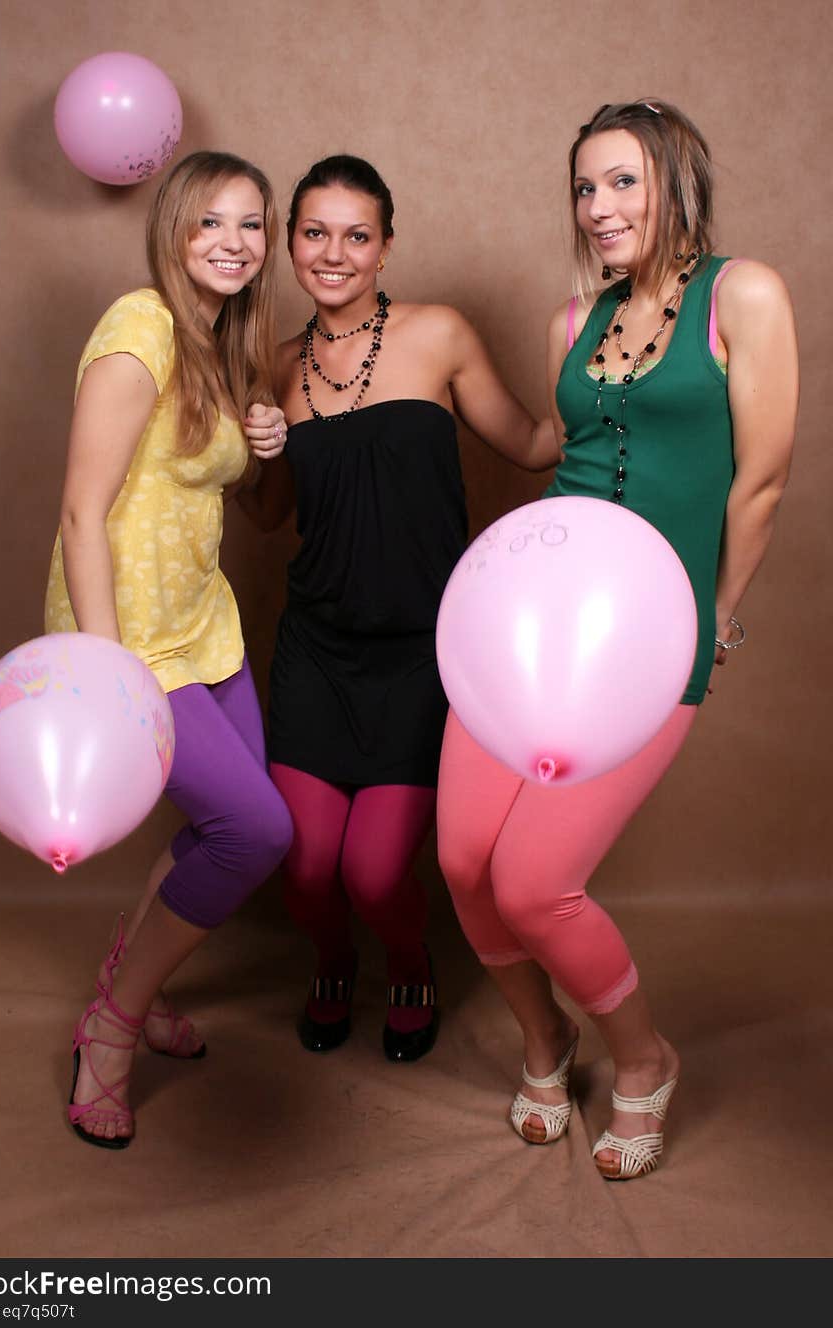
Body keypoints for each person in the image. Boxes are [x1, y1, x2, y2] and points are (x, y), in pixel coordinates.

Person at [437, 100, 798, 1179]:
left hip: (647, 632)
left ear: (677, 181)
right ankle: (546, 1040)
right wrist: (433, 394)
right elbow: (558, 445)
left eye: (622, 182)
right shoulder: (572, 321)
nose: (598, 208)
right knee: (462, 859)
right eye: (584, 188)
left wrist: (718, 611)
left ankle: (641, 1060)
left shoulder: (747, 294)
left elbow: (762, 477)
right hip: (530, 622)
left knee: (535, 876)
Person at [240, 155, 559, 1063]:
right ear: (291, 243)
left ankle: (408, 960)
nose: (333, 253)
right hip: (316, 650)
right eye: (313, 233)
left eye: (356, 235)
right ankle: (333, 961)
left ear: (386, 245)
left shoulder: (439, 334)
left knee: (376, 872)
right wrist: (253, 453)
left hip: (424, 653)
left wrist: (600, 372)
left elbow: (534, 444)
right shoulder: (275, 365)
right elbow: (267, 517)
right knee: (304, 869)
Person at [45, 150, 294, 1149]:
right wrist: (107, 669)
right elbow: (79, 506)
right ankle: (108, 1027)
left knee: (221, 827)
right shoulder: (140, 324)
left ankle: (130, 988)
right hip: (131, 638)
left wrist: (263, 438)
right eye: (211, 223)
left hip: (206, 626)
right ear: (173, 232)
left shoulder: (225, 343)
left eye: (252, 224)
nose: (235, 243)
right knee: (256, 829)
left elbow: (218, 488)